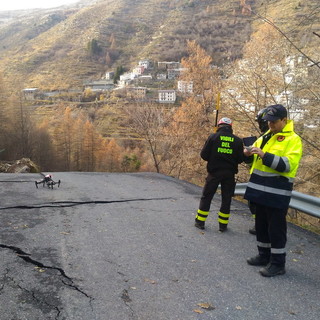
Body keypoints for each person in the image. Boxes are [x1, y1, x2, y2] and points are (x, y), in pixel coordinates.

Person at [244, 104, 303, 277]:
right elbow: (253, 159)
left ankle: (278, 264)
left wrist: (263, 155)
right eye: (268, 121)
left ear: (284, 120)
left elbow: (287, 165)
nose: (270, 125)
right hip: (259, 191)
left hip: (277, 193)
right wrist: (247, 153)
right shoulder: (266, 136)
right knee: (261, 226)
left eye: (274, 122)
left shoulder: (293, 139)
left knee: (276, 229)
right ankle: (264, 256)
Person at [194, 117, 244, 232]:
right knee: (226, 199)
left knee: (207, 197)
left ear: (219, 126)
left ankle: (200, 222)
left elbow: (204, 155)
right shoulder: (237, 141)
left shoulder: (213, 137)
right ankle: (223, 225)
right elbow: (240, 159)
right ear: (230, 127)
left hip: (214, 173)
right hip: (229, 175)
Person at [247, 107, 269, 235]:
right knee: (253, 203)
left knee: (260, 204)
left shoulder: (276, 138)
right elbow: (253, 161)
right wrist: (248, 156)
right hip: (257, 176)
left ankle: (261, 226)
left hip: (268, 178)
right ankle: (259, 224)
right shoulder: (262, 138)